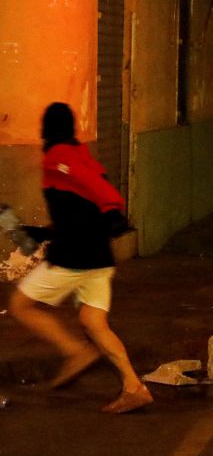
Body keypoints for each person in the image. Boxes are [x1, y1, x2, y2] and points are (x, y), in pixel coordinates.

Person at [8, 103, 153, 413]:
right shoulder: (80, 154)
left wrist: (112, 207)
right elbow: (79, 207)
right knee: (93, 321)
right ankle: (133, 386)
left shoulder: (58, 158)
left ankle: (75, 351)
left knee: (20, 306)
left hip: (73, 257)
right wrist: (44, 232)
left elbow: (95, 190)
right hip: (99, 256)